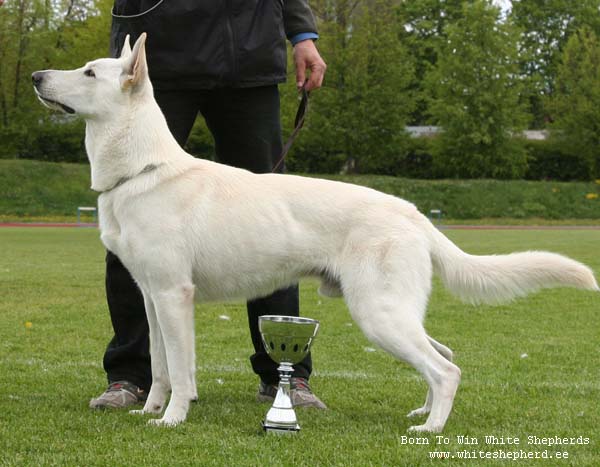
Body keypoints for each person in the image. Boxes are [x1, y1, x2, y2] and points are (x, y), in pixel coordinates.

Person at [89, 0, 328, 410]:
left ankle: (283, 375)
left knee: (271, 224)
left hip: (247, 58)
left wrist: (302, 33)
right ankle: (130, 376)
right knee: (133, 223)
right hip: (157, 56)